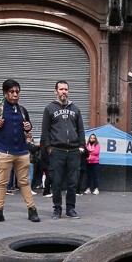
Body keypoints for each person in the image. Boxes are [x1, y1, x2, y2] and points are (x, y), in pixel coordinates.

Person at [0, 78, 40, 223]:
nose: (15, 95)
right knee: (2, 183)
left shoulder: (22, 110)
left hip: (22, 152)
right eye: (12, 92)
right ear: (5, 93)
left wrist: (28, 127)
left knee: (24, 182)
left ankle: (32, 210)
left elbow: (27, 126)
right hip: (3, 151)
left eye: (17, 92)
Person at [40, 80, 86, 219]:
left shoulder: (75, 109)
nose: (63, 92)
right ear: (56, 91)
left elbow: (81, 129)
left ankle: (70, 209)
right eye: (61, 89)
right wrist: (48, 148)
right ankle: (57, 209)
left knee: (72, 183)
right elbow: (45, 131)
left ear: (68, 91)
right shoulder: (49, 108)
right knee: (56, 182)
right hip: (57, 151)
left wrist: (82, 146)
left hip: (73, 151)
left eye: (66, 89)